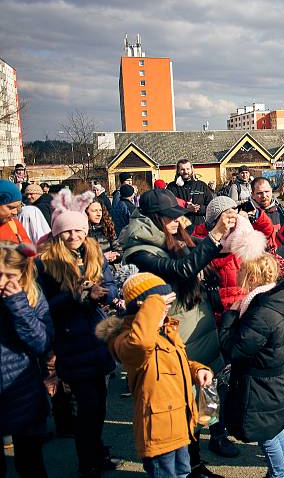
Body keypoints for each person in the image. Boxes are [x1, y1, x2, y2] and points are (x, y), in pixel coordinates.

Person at [119, 188, 236, 477]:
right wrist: (216, 234)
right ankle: (191, 465)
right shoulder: (140, 249)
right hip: (175, 334)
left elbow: (204, 252)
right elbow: (182, 268)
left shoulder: (172, 235)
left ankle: (196, 460)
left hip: (197, 326)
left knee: (201, 397)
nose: (177, 222)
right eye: (170, 217)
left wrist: (241, 229)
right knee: (183, 404)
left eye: (178, 216)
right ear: (154, 219)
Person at [96, 272, 213, 478]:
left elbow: (177, 362)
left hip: (179, 424)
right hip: (158, 431)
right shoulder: (126, 340)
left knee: (183, 471)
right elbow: (141, 344)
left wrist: (197, 369)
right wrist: (154, 303)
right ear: (145, 305)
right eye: (161, 302)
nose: (166, 306)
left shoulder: (165, 330)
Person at [36, 189, 119, 477]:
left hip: (98, 339)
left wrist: (109, 294)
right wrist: (80, 294)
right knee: (87, 408)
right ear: (58, 233)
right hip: (72, 341)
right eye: (67, 232)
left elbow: (110, 284)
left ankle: (97, 451)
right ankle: (88, 462)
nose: (74, 236)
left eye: (78, 230)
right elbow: (43, 305)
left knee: (99, 406)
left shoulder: (95, 253)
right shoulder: (46, 263)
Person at [219, 253, 284, 478]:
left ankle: (278, 473)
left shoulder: (261, 313)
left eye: (243, 271)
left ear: (252, 278)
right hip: (273, 379)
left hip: (260, 385)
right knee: (274, 428)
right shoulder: (274, 299)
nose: (239, 274)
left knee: (266, 435)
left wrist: (229, 317)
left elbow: (234, 349)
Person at [0, 242, 53, 478]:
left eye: (9, 276)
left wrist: (17, 304)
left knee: (30, 463)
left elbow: (41, 342)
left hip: (23, 391)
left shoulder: (32, 297)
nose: (1, 283)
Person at [249, 177, 284, 264]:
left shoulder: (281, 210)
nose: (264, 196)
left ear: (271, 191)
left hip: (283, 263)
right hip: (259, 266)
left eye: (267, 192)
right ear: (252, 194)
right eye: (259, 193)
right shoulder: (247, 215)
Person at [167, 159, 215, 232]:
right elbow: (168, 208)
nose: (186, 172)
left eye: (188, 169)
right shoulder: (172, 187)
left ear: (192, 169)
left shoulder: (201, 185)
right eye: (182, 169)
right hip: (181, 228)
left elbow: (211, 206)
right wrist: (186, 208)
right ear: (178, 171)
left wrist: (199, 209)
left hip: (201, 226)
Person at [86, 198, 120, 263]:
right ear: (86, 212)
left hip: (109, 270)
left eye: (100, 210)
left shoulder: (107, 227)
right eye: (94, 211)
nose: (99, 214)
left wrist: (116, 255)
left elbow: (119, 250)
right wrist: (102, 257)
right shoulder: (81, 232)